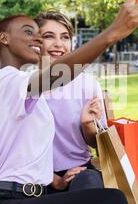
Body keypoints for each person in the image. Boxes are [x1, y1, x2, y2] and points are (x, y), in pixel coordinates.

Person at [0, 0, 138, 204]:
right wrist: (113, 33)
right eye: (32, 33)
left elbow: (27, 153)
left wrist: (58, 177)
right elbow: (55, 76)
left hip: (34, 201)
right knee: (112, 202)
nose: (39, 40)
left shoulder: (32, 98)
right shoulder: (5, 81)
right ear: (4, 39)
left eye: (62, 37)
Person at [34, 11, 107, 193]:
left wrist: (88, 124)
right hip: (35, 177)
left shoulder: (86, 84)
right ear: (35, 42)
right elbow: (15, 149)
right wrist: (55, 180)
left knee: (89, 185)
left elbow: (100, 146)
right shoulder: (23, 86)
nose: (59, 44)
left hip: (79, 173)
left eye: (65, 37)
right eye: (49, 36)